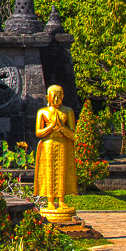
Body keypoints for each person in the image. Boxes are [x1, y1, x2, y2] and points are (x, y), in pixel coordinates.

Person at [34, 84, 78, 215]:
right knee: (49, 172)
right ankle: (50, 201)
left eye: (60, 96)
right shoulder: (43, 112)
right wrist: (51, 126)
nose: (57, 99)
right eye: (54, 96)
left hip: (63, 143)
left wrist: (62, 128)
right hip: (48, 144)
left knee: (62, 171)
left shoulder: (67, 111)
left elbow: (73, 134)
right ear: (48, 97)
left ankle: (62, 200)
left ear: (63, 97)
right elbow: (38, 132)